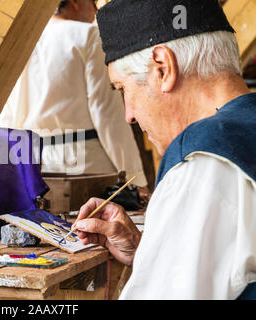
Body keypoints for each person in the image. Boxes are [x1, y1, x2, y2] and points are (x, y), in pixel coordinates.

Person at [73, 0, 256, 299]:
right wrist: (152, 251)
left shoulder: (204, 163)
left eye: (123, 89)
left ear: (162, 68)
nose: (128, 114)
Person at [0, 0, 148, 189]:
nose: (95, 10)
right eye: (92, 2)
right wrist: (135, 178)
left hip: (32, 167)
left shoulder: (20, 44)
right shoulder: (89, 35)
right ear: (76, 2)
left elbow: (5, 116)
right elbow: (106, 113)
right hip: (86, 166)